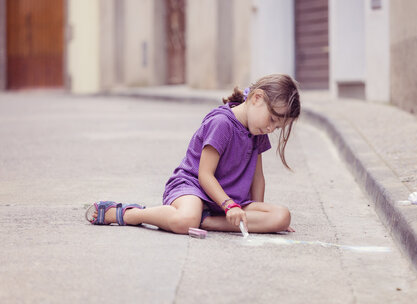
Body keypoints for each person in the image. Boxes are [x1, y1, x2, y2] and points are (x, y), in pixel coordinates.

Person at [85, 74, 301, 234]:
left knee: (282, 216)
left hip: (231, 200)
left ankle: (205, 221)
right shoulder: (222, 123)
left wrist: (256, 217)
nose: (271, 129)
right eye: (272, 120)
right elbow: (204, 175)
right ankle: (130, 214)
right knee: (184, 220)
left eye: (277, 127)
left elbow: (257, 177)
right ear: (256, 98)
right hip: (194, 189)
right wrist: (229, 206)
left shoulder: (257, 130)